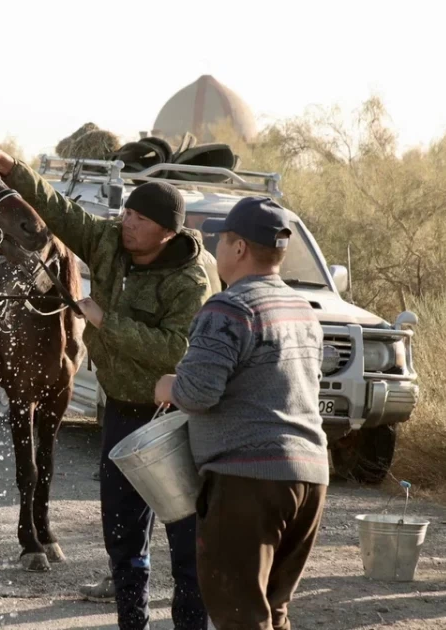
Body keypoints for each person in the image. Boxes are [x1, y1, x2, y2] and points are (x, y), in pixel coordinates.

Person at [0, 130, 218, 630]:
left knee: (186, 542)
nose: (126, 224)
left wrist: (105, 322)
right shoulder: (108, 242)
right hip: (122, 414)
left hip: (174, 422)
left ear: (166, 231)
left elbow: (176, 349)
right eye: (126, 213)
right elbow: (57, 209)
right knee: (123, 539)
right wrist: (6, 164)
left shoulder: (190, 280)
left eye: (139, 219)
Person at [155, 196, 329, 630]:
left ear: (238, 249)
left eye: (222, 240)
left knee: (238, 617)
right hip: (310, 478)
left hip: (248, 483)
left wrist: (166, 385)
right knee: (272, 612)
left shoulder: (229, 307)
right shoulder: (303, 310)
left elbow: (197, 392)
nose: (215, 250)